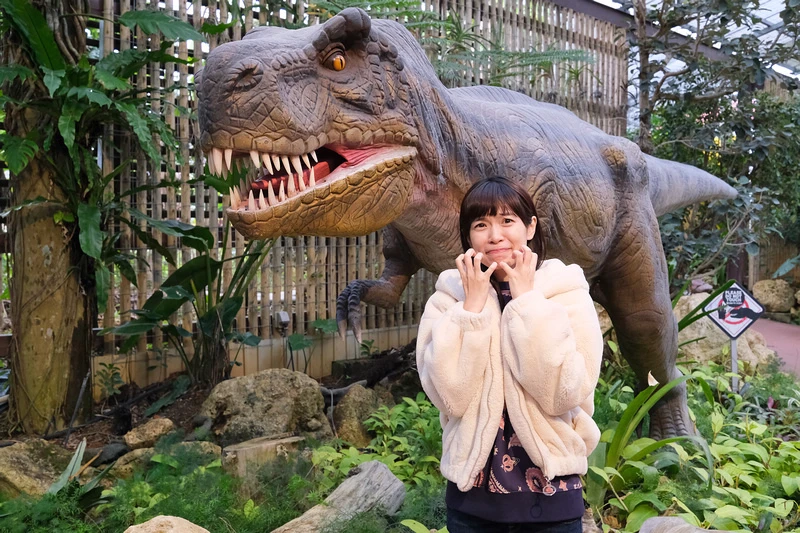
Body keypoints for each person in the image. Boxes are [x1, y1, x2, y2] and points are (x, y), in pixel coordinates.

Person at [416, 177, 603, 532]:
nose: (495, 235)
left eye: (507, 221)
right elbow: (450, 398)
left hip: (552, 496)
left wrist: (527, 302)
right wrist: (471, 310)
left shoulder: (566, 294)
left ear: (530, 227)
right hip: (472, 501)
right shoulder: (447, 300)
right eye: (481, 224)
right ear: (468, 237)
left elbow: (565, 392)